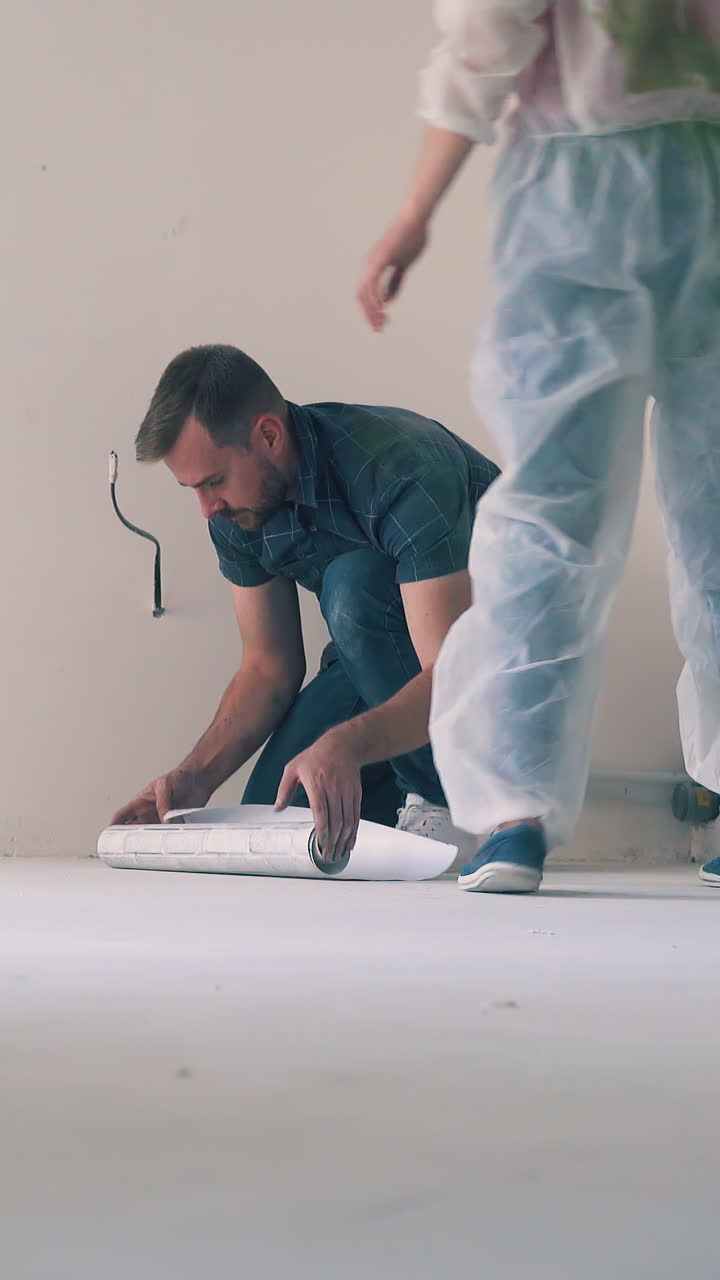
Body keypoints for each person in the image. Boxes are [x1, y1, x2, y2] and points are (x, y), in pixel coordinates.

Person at [357, 1, 720, 891]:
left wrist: (416, 209)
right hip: (695, 171)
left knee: (553, 511)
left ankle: (514, 817)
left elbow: (486, 39)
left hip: (577, 184)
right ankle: (515, 809)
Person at [111, 344, 499, 862]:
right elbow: (268, 667)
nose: (206, 509)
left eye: (213, 482)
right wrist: (193, 778)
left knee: (352, 584)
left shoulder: (402, 466)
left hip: (493, 666)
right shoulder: (236, 512)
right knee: (277, 821)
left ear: (268, 436)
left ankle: (452, 802)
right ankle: (404, 819)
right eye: (192, 489)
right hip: (377, 658)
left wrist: (353, 745)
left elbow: (454, 670)